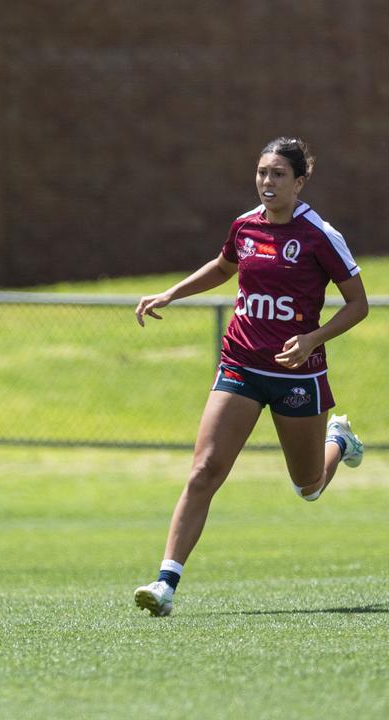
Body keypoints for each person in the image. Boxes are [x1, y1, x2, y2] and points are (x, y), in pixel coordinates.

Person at [132, 138, 368, 617]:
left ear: (299, 182)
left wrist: (312, 339)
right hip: (239, 366)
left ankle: (339, 441)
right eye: (262, 172)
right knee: (204, 471)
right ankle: (165, 584)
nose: (267, 181)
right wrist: (171, 294)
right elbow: (224, 266)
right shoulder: (244, 226)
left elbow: (358, 304)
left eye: (279, 174)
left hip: (296, 375)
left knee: (308, 487)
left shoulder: (321, 235)